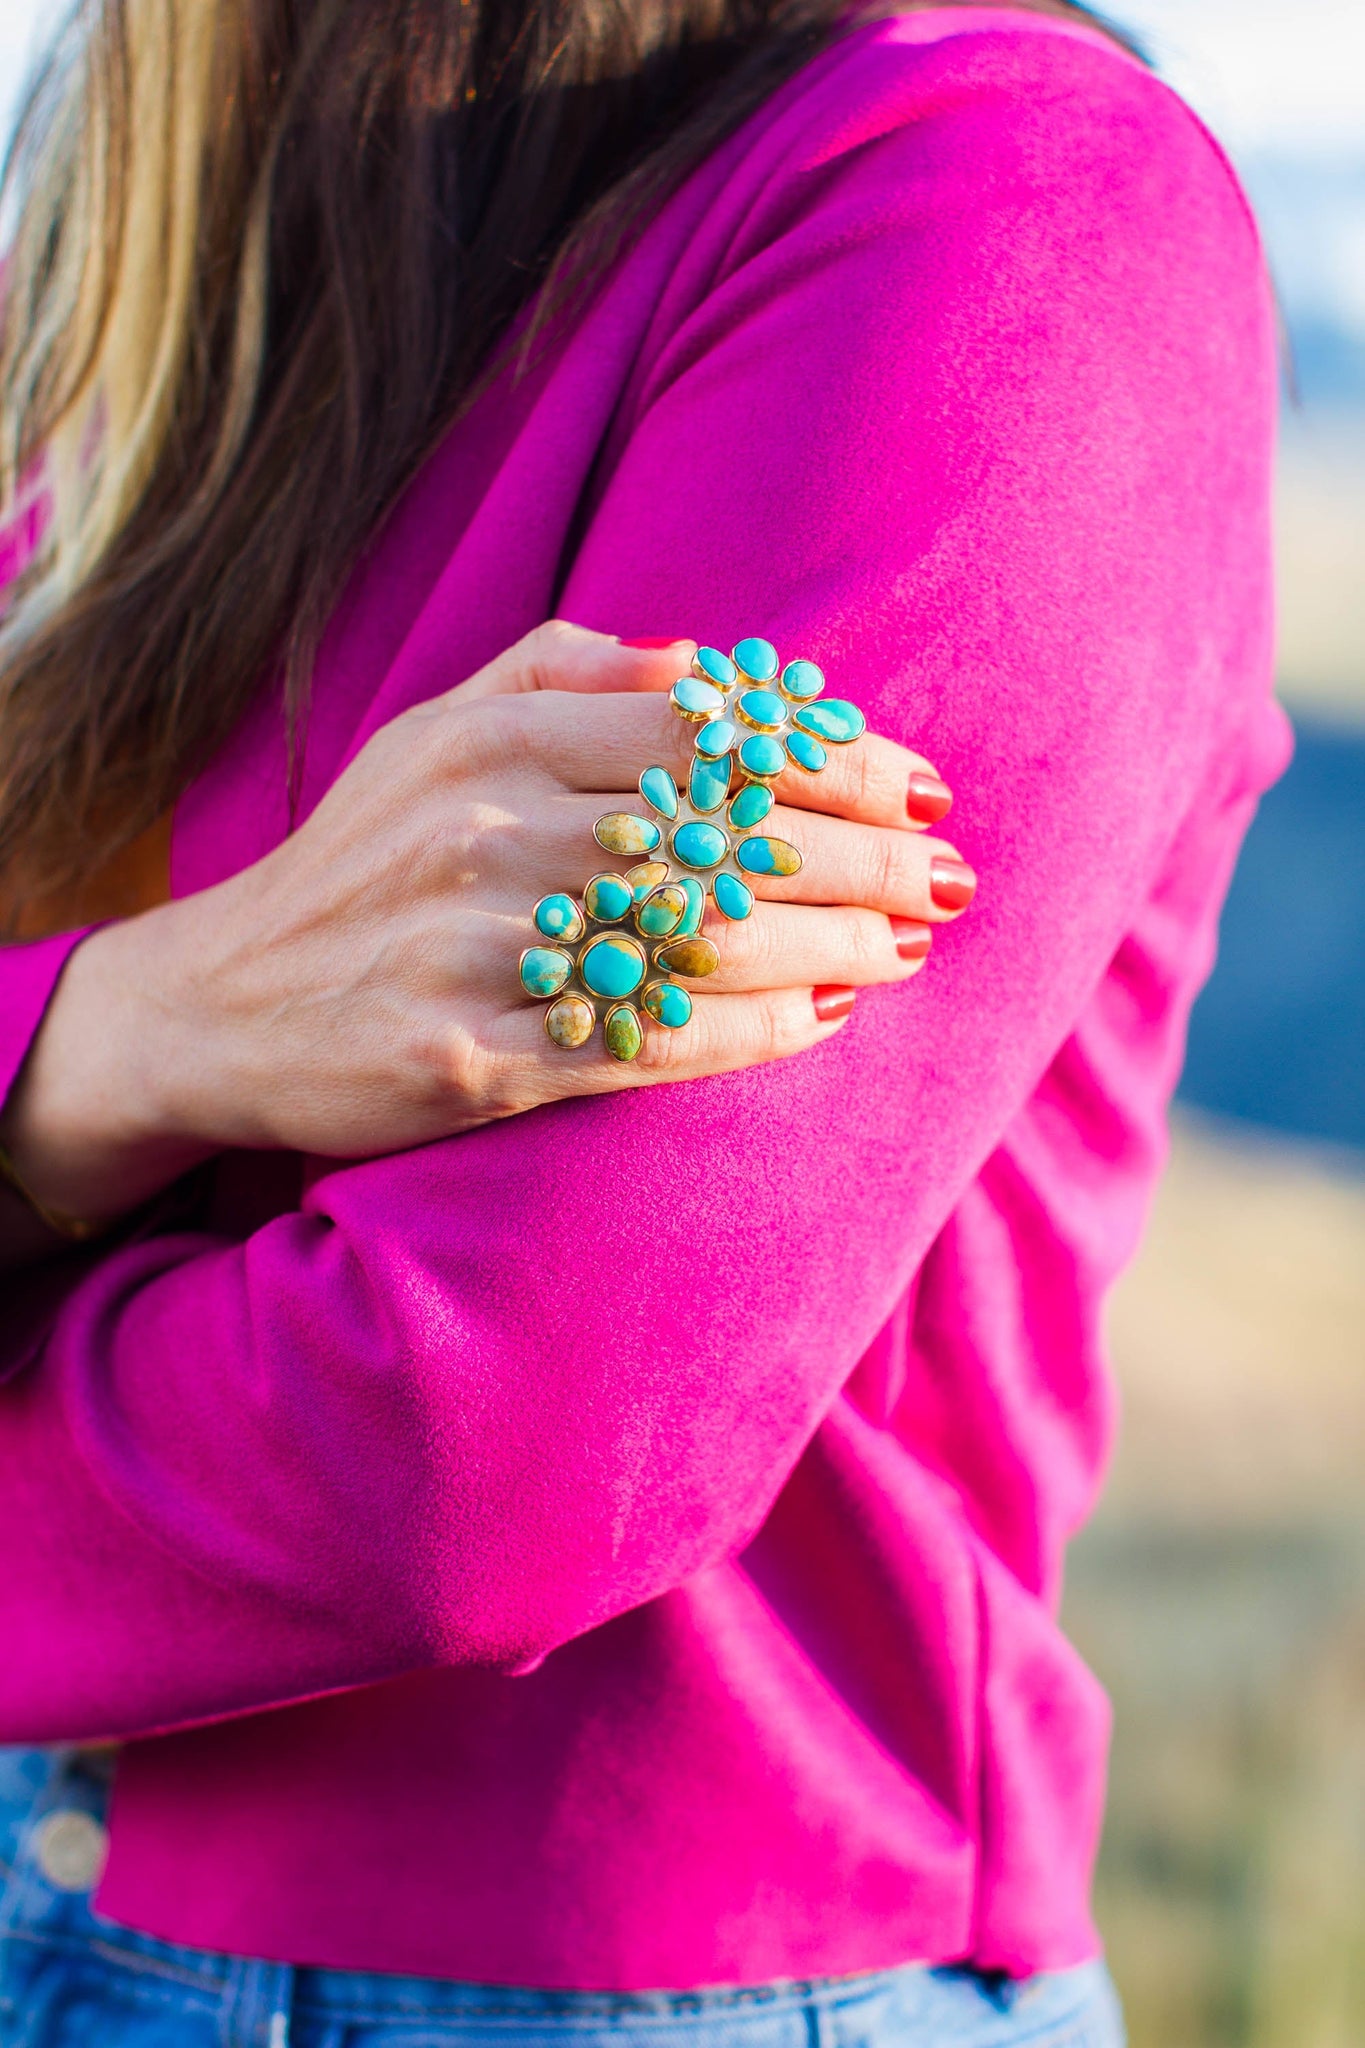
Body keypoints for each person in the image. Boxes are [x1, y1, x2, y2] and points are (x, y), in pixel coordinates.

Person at [0, 0, 1288, 2042]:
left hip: (653, 1986)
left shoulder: (987, 200)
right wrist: (109, 1035)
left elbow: (491, 1438)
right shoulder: (137, 221)